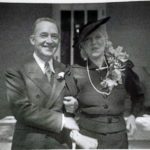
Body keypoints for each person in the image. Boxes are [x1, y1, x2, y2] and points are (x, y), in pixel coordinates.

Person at [64, 16, 144, 149]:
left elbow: (138, 96)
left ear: (106, 40)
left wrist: (132, 116)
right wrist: (77, 136)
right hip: (87, 139)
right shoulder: (75, 73)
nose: (93, 43)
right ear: (82, 46)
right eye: (88, 40)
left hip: (118, 140)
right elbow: (67, 112)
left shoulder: (123, 68)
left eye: (98, 37)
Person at [5, 17, 79, 150]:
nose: (49, 41)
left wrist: (74, 105)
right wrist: (61, 120)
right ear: (33, 40)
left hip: (60, 144)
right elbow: (21, 109)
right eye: (44, 35)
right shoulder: (16, 70)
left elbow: (71, 104)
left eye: (54, 36)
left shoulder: (64, 70)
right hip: (30, 143)